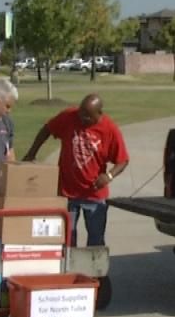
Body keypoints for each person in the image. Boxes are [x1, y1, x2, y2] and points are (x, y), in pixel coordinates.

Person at [22, 93, 129, 248]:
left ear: (99, 113)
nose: (82, 119)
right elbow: (47, 129)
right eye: (81, 114)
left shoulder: (110, 129)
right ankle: (69, 270)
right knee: (67, 238)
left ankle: (95, 272)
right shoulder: (69, 116)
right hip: (67, 193)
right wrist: (32, 152)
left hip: (94, 194)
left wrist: (109, 175)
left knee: (96, 239)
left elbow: (123, 160)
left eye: (87, 116)